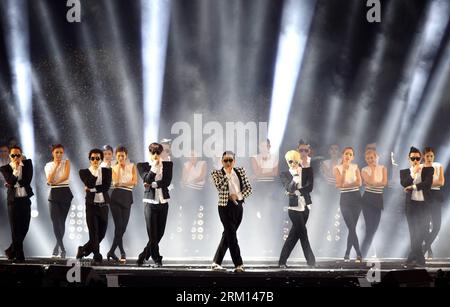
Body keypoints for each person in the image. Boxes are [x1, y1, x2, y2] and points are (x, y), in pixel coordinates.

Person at [211, 151, 252, 272]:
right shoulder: (216, 173)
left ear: (234, 161)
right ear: (221, 161)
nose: (228, 163)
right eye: (225, 160)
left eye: (230, 160)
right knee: (232, 236)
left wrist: (237, 196)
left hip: (238, 206)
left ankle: (216, 262)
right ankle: (239, 264)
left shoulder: (240, 171)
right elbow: (220, 187)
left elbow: (249, 189)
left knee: (227, 235)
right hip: (224, 207)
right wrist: (227, 174)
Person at [136, 143, 173, 267]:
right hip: (150, 203)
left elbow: (167, 181)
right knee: (152, 234)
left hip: (163, 201)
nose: (156, 155)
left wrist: (153, 184)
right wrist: (154, 168)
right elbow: (146, 178)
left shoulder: (168, 165)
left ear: (161, 153)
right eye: (153, 152)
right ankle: (157, 259)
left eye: (158, 152)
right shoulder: (142, 165)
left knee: (159, 233)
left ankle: (143, 255)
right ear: (150, 153)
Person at [278, 150, 316, 268]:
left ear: (298, 160)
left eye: (294, 161)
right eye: (290, 161)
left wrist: (298, 191)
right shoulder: (285, 174)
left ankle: (282, 261)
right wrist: (294, 179)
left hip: (306, 207)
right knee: (303, 234)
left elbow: (310, 187)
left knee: (294, 236)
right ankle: (311, 262)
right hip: (293, 209)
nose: (292, 163)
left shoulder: (305, 171)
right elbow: (289, 188)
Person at [76, 148, 112, 263]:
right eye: (93, 158)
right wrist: (95, 172)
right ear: (89, 160)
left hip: (103, 205)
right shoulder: (84, 172)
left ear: (101, 159)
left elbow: (106, 187)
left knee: (101, 233)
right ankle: (97, 254)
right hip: (91, 206)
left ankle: (83, 249)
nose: (95, 160)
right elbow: (89, 182)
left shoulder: (107, 171)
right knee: (94, 232)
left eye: (97, 158)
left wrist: (92, 189)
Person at [400, 146, 433, 267]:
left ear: (421, 158)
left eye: (418, 158)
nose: (415, 160)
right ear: (409, 158)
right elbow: (404, 184)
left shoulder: (428, 170)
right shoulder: (404, 172)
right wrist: (413, 173)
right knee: (413, 233)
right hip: (411, 207)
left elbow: (427, 184)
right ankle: (420, 260)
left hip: (424, 206)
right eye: (413, 158)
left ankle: (411, 258)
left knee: (422, 232)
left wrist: (413, 187)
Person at [0, 146, 34, 262]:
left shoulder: (28, 164)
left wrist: (12, 183)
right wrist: (15, 172)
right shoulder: (5, 168)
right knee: (15, 229)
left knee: (25, 227)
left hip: (25, 200)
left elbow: (27, 181)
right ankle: (20, 256)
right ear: (10, 156)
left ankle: (10, 250)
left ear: (21, 155)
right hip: (13, 202)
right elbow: (10, 181)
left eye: (18, 155)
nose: (16, 157)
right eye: (13, 155)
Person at [108, 146, 137, 263]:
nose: (120, 158)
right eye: (118, 156)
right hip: (116, 197)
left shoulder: (132, 166)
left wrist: (123, 183)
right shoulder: (113, 168)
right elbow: (115, 182)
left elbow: (134, 182)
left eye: (122, 155)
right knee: (118, 227)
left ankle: (111, 251)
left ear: (126, 155)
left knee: (123, 228)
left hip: (127, 197)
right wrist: (119, 168)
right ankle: (122, 252)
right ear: (116, 156)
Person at [334, 147, 362, 262]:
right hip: (345, 199)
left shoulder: (355, 167)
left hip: (356, 198)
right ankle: (358, 253)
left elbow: (359, 183)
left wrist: (347, 184)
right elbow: (339, 184)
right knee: (351, 227)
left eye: (350, 154)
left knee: (352, 228)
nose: (348, 156)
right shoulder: (337, 168)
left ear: (353, 157)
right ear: (342, 155)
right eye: (346, 154)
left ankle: (347, 253)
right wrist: (344, 171)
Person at [44, 144, 73, 258]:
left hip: (65, 192)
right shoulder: (48, 165)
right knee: (55, 221)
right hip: (54, 194)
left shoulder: (67, 162)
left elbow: (66, 176)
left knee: (62, 222)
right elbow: (49, 179)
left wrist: (54, 182)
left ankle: (57, 246)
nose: (59, 154)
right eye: (57, 152)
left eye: (61, 152)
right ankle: (62, 248)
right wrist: (56, 166)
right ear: (53, 153)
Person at [360, 148, 388, 258]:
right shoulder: (364, 169)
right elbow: (370, 182)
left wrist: (375, 183)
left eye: (372, 157)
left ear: (376, 157)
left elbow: (384, 183)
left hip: (378, 199)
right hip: (367, 200)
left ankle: (362, 253)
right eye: (368, 158)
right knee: (369, 228)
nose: (370, 160)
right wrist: (372, 169)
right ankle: (362, 254)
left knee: (374, 229)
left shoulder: (383, 168)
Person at [180, 150, 207, 254]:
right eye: (190, 155)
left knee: (197, 217)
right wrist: (190, 167)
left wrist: (190, 181)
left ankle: (199, 244)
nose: (192, 157)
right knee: (188, 219)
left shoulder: (203, 163)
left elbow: (202, 177)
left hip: (198, 192)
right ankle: (186, 242)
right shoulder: (186, 165)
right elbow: (183, 180)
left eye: (194, 155)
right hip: (188, 193)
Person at [422, 147, 444, 260]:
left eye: (431, 156)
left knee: (437, 226)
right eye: (427, 156)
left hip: (436, 197)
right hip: (425, 197)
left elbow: (441, 182)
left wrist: (428, 183)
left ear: (433, 156)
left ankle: (423, 249)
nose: (429, 158)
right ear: (423, 157)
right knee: (425, 226)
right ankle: (428, 251)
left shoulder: (438, 166)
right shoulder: (421, 167)